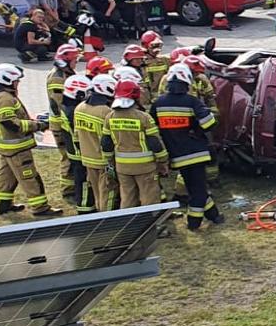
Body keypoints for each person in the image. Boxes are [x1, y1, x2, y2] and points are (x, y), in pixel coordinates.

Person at [152, 63, 223, 229]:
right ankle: (194, 222)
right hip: (196, 153)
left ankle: (215, 216)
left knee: (194, 188)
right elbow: (210, 123)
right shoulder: (192, 101)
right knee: (198, 191)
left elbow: (153, 129)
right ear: (187, 82)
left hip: (176, 155)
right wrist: (195, 129)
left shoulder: (158, 104)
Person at [0, 64, 62, 217]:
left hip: (7, 147)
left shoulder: (1, 95)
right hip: (17, 147)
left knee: (7, 177)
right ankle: (40, 208)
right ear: (7, 80)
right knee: (30, 178)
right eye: (16, 81)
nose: (18, 84)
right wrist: (37, 125)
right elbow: (11, 123)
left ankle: (4, 204)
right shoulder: (5, 98)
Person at [105, 78, 169, 209]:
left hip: (122, 167)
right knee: (149, 198)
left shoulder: (110, 117)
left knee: (127, 198)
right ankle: (151, 227)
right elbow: (155, 143)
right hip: (145, 167)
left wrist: (109, 161)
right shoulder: (143, 117)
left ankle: (130, 226)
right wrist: (163, 161)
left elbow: (106, 143)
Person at [45, 43, 82, 206]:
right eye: (74, 59)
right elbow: (60, 103)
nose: (76, 62)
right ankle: (68, 190)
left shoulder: (65, 73)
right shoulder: (57, 78)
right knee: (67, 156)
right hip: (61, 124)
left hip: (65, 122)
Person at [75, 72, 118, 212]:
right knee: (107, 191)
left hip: (87, 158)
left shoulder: (79, 107)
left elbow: (76, 135)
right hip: (103, 160)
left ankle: (99, 212)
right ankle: (107, 219)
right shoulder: (105, 111)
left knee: (96, 191)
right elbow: (110, 139)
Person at [59, 74, 93, 213]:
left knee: (80, 178)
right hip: (79, 153)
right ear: (78, 93)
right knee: (83, 181)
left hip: (73, 150)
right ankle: (84, 208)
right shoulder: (73, 112)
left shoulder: (68, 105)